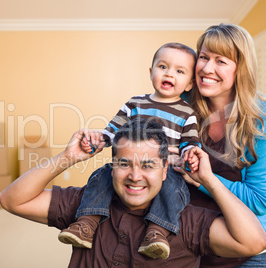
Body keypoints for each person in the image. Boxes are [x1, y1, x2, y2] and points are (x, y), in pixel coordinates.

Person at [0, 119, 266, 267]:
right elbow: (11, 200)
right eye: (124, 164)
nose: (135, 176)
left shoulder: (185, 221)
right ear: (111, 167)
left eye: (148, 166)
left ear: (165, 170)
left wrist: (208, 180)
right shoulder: (86, 207)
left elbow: (253, 242)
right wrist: (68, 157)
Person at [58, 42, 201, 260]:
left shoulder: (187, 113)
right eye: (163, 67)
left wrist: (189, 153)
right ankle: (86, 224)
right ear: (151, 72)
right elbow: (113, 130)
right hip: (128, 163)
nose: (169, 74)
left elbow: (190, 142)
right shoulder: (135, 104)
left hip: (165, 169)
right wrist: (98, 140)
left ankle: (157, 232)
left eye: (179, 71)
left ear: (189, 84)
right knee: (102, 175)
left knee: (174, 187)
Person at [175, 23, 266, 268]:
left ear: (241, 70)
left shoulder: (260, 119)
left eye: (221, 61)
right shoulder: (179, 105)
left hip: (251, 251)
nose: (207, 68)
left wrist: (202, 179)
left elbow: (259, 200)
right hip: (194, 244)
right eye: (203, 57)